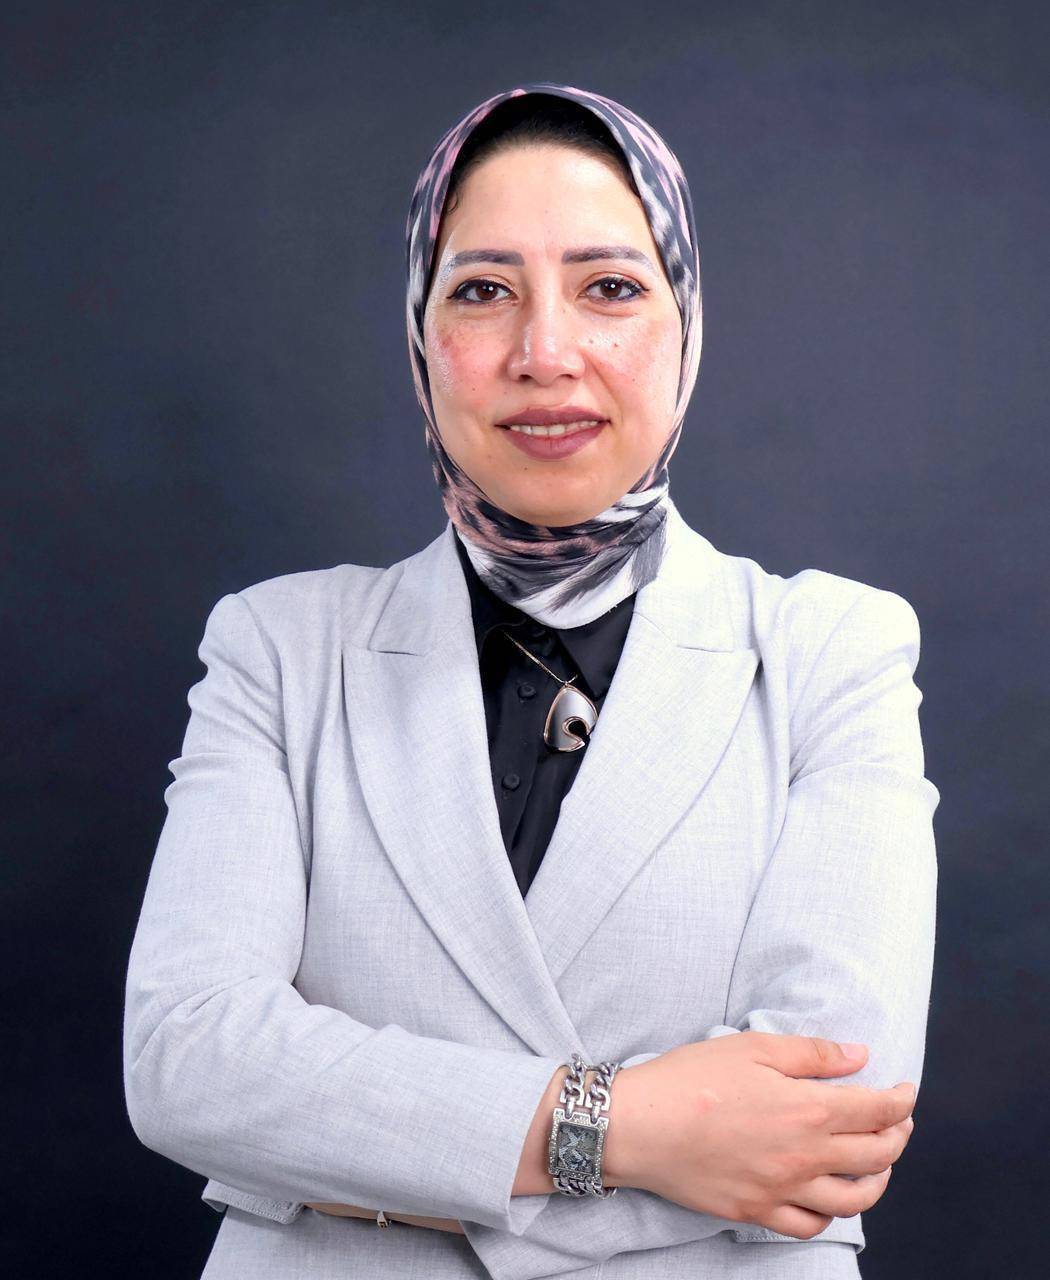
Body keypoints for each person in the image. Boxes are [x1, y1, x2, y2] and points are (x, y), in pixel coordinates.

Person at [123, 83, 938, 1280]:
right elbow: (189, 1061)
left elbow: (827, 1120)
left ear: (686, 321)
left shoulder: (832, 649)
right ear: (419, 336)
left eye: (609, 287)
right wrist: (629, 1129)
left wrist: (350, 1160)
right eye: (482, 290)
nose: (544, 352)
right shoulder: (280, 648)